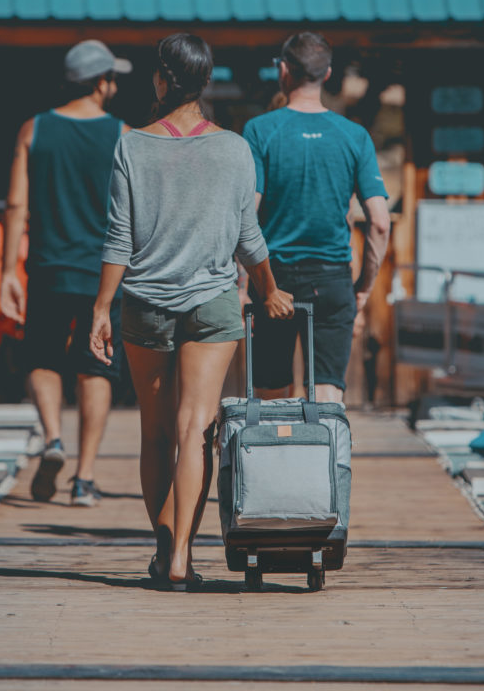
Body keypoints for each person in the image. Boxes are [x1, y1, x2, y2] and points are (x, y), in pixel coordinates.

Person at [89, 33, 293, 589]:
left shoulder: (132, 146)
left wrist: (101, 308)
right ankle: (182, 556)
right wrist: (269, 288)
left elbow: (118, 239)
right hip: (212, 303)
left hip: (146, 304)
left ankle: (160, 549)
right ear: (206, 84)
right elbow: (249, 236)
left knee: (154, 434)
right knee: (195, 430)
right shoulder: (233, 148)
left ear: (160, 80)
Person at [1, 40, 131, 507]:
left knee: (42, 357)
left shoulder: (34, 130)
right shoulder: (124, 134)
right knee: (97, 365)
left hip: (48, 268)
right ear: (101, 83)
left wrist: (6, 273)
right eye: (112, 78)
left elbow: (16, 206)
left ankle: (53, 438)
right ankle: (85, 478)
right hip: (105, 275)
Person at [242, 32, 391, 403]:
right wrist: (365, 287)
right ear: (327, 75)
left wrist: (242, 283)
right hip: (333, 278)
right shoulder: (354, 136)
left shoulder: (260, 131)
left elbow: (246, 213)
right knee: (327, 396)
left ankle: (275, 460)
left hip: (273, 279)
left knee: (271, 395)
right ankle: (330, 462)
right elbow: (379, 222)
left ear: (283, 71)